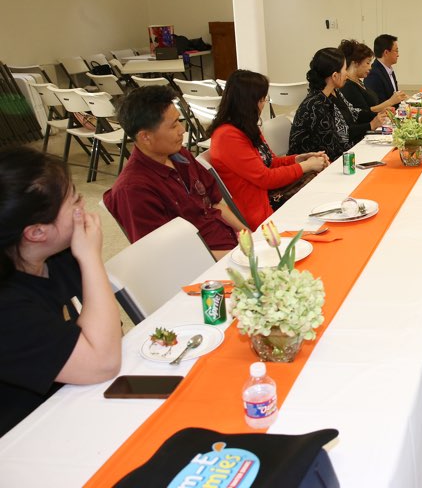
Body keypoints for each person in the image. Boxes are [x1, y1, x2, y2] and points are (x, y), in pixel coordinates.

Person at [0, 147, 122, 437]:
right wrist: (91, 257)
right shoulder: (8, 309)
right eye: (75, 199)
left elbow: (111, 331)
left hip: (76, 400)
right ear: (37, 232)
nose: (83, 206)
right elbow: (103, 362)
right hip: (29, 434)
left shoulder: (57, 257)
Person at [104, 86, 246, 259]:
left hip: (229, 246)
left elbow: (215, 204)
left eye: (179, 121)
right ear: (145, 137)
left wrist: (250, 236)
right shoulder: (134, 190)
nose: (182, 130)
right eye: (173, 126)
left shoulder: (180, 155)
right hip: (201, 265)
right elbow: (166, 256)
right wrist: (236, 257)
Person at [207, 70, 330, 230]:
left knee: (322, 186)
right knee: (320, 193)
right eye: (261, 99)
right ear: (248, 102)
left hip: (266, 196)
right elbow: (266, 178)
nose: (263, 103)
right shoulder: (227, 136)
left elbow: (270, 162)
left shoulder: (245, 127)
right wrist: (306, 166)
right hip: (259, 207)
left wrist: (298, 159)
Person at [289, 48, 389, 161]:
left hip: (335, 155)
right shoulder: (316, 105)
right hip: (315, 165)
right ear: (335, 76)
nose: (347, 73)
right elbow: (337, 142)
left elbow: (353, 112)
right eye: (345, 69)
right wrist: (370, 126)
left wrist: (378, 114)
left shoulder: (333, 92)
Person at [339, 39, 407, 115]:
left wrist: (384, 109)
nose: (370, 67)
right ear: (356, 63)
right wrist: (390, 102)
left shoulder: (358, 82)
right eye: (367, 63)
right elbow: (362, 113)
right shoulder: (348, 86)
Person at [364, 34, 401, 104]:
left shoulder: (389, 69)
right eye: (396, 51)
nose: (398, 55)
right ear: (386, 52)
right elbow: (376, 104)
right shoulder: (373, 74)